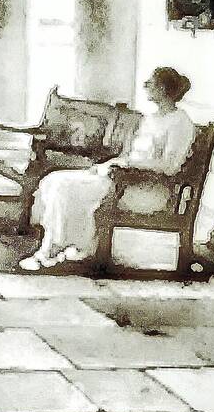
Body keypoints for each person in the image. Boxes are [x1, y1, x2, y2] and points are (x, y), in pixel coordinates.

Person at [19, 67, 197, 272]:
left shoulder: (180, 122)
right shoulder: (151, 119)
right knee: (54, 180)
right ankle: (70, 247)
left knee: (65, 188)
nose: (145, 85)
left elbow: (169, 166)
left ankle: (51, 252)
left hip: (147, 189)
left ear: (164, 88)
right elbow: (131, 156)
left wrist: (127, 166)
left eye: (150, 82)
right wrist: (108, 165)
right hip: (125, 179)